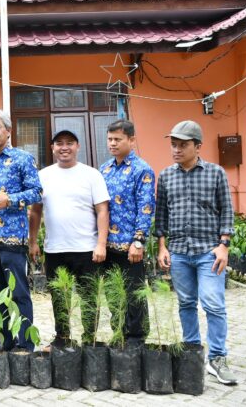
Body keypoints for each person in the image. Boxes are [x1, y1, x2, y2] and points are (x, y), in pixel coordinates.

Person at [155, 120, 237, 385]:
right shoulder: (166, 176)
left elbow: (227, 210)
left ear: (198, 146)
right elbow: (162, 215)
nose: (176, 150)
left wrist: (224, 245)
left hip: (208, 252)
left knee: (213, 303)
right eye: (174, 145)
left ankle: (217, 358)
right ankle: (192, 352)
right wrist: (162, 247)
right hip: (178, 252)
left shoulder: (215, 173)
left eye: (183, 145)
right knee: (186, 303)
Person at [31, 129, 109, 347]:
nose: (64, 147)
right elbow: (35, 211)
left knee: (88, 297)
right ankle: (62, 337)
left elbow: (102, 210)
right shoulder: (43, 176)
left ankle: (89, 338)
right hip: (55, 249)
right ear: (52, 148)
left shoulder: (92, 174)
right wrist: (33, 241)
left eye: (70, 143)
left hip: (86, 248)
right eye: (59, 143)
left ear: (78, 147)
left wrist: (101, 244)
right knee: (59, 298)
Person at [0, 108, 42, 351]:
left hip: (12, 239)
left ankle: (26, 344)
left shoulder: (23, 159)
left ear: (8, 131)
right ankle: (5, 340)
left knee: (18, 293)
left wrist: (9, 200)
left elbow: (36, 192)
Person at [100, 119, 155, 345]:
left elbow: (146, 207)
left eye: (117, 139)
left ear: (131, 140)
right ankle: (119, 333)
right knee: (114, 294)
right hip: (108, 245)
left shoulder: (143, 170)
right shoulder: (105, 169)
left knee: (134, 294)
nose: (112, 143)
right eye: (110, 139)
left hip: (131, 246)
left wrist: (139, 241)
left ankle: (136, 338)